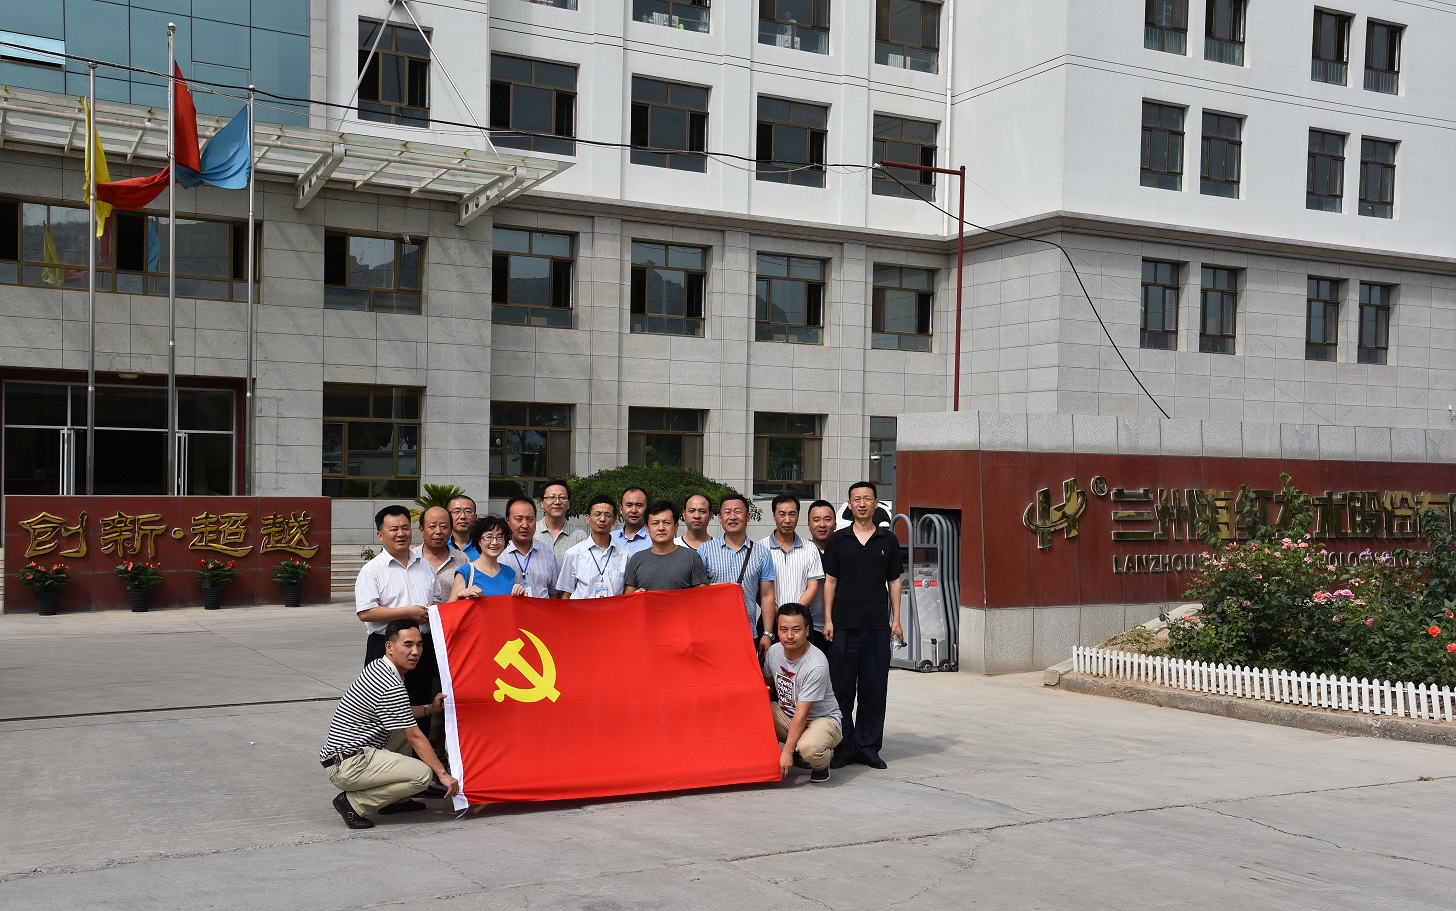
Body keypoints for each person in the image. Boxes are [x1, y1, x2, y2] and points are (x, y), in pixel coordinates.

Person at [321, 619, 459, 829]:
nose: (415, 652)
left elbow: (401, 713)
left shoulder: (381, 667)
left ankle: (395, 801)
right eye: (408, 645)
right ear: (389, 646)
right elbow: (415, 735)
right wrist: (443, 774)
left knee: (400, 732)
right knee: (423, 776)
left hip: (346, 755)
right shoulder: (389, 684)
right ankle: (353, 803)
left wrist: (429, 709)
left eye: (419, 644)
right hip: (348, 764)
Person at [823, 482, 903, 771]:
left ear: (876, 503)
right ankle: (844, 747)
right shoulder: (838, 539)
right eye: (856, 499)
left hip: (877, 628)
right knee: (841, 691)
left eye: (867, 498)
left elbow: (894, 581)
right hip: (843, 627)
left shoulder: (888, 540)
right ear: (849, 504)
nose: (862, 503)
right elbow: (830, 581)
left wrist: (896, 620)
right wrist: (829, 619)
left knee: (874, 690)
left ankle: (868, 747)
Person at [355, 506, 440, 726]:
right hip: (386, 648)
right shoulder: (372, 570)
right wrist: (409, 612)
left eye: (405, 528)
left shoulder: (425, 566)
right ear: (380, 535)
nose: (401, 533)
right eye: (394, 529)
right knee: (384, 713)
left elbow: (437, 600)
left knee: (421, 705)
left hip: (421, 646)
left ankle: (419, 749)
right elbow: (365, 612)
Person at [764, 603, 842, 783]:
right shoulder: (774, 652)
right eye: (784, 630)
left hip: (821, 720)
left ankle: (821, 763)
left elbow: (802, 712)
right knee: (757, 710)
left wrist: (787, 752)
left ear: (807, 631)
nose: (789, 636)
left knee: (809, 748)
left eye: (796, 630)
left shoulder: (816, 664)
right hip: (788, 716)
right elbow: (768, 685)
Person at [699, 494, 777, 657]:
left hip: (747, 633)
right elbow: (697, 591)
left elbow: (767, 595)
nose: (733, 517)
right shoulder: (705, 550)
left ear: (748, 517)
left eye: (738, 512)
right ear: (720, 518)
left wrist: (767, 633)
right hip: (711, 633)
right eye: (727, 512)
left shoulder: (762, 553)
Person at [760, 493, 823, 643]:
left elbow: (813, 588)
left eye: (792, 514)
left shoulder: (810, 548)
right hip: (770, 620)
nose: (787, 520)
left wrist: (793, 616)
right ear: (774, 516)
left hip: (802, 621)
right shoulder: (760, 548)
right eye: (782, 514)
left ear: (798, 516)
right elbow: (759, 591)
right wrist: (779, 615)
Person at [624, 500, 709, 592]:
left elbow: (701, 595)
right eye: (655, 523)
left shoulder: (692, 557)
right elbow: (629, 596)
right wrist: (636, 596)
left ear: (676, 526)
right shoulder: (637, 559)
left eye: (666, 522)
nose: (661, 528)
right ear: (647, 528)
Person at [556, 494, 630, 599]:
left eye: (608, 515)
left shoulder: (625, 555)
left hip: (613, 609)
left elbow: (628, 593)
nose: (602, 519)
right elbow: (566, 594)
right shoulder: (573, 554)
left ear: (614, 520)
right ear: (588, 518)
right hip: (582, 609)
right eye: (597, 514)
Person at [447, 515, 523, 601]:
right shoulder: (466, 572)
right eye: (489, 537)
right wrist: (461, 595)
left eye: (499, 537)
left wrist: (520, 595)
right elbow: (449, 607)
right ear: (479, 541)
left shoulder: (510, 573)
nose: (495, 542)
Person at [504, 496, 561, 598]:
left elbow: (553, 593)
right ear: (507, 520)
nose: (525, 525)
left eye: (530, 519)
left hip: (542, 608)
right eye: (518, 519)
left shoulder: (547, 552)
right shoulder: (499, 553)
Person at [416, 506, 466, 603]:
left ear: (451, 530)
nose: (438, 531)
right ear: (422, 530)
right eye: (432, 526)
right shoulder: (410, 559)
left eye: (443, 527)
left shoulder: (463, 560)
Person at [805, 499, 837, 648]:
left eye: (827, 519)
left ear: (835, 524)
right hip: (808, 629)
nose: (822, 525)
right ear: (809, 525)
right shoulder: (802, 553)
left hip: (839, 628)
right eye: (816, 520)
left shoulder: (844, 551)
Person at [536, 479, 587, 565]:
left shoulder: (579, 536)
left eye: (562, 498)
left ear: (568, 503)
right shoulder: (532, 532)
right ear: (541, 503)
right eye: (551, 497)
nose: (557, 502)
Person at [612, 486, 651, 555]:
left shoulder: (655, 539)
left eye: (639, 505)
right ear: (621, 509)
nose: (633, 510)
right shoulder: (610, 538)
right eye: (629, 505)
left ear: (647, 509)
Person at [446, 495, 480, 560]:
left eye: (468, 512)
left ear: (475, 517)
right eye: (457, 512)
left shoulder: (484, 545)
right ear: (448, 516)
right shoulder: (441, 543)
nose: (462, 516)